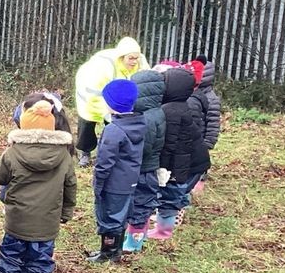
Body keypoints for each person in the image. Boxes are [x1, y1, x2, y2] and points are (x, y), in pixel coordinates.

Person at [0, 100, 76, 273]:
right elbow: (70, 184)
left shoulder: (13, 152)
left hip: (17, 220)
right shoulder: (63, 155)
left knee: (9, 257)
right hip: (47, 222)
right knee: (40, 259)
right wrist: (66, 212)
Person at [86, 80, 145, 262]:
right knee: (121, 214)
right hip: (129, 181)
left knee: (109, 216)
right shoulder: (139, 122)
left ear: (112, 104)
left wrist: (98, 183)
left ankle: (108, 253)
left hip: (113, 182)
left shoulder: (113, 130)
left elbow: (105, 162)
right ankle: (115, 250)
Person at [74, 37, 149, 167]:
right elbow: (94, 96)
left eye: (136, 58)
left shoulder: (141, 63)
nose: (134, 61)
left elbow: (146, 82)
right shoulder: (103, 66)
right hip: (92, 95)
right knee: (87, 121)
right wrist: (109, 114)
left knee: (116, 126)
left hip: (117, 95)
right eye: (131, 58)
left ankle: (111, 151)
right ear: (122, 57)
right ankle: (85, 151)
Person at [149, 66, 202, 240]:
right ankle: (171, 217)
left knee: (169, 196)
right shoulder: (181, 105)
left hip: (181, 164)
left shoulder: (170, 111)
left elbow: (169, 145)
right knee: (178, 193)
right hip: (193, 161)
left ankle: (163, 231)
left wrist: (163, 168)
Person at [122, 70, 167, 253]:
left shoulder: (147, 119)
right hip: (146, 168)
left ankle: (134, 243)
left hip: (143, 169)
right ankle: (137, 235)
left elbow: (144, 148)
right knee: (142, 203)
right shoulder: (155, 112)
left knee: (140, 205)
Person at [185, 55, 221, 198]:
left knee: (201, 165)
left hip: (202, 139)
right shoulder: (190, 94)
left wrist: (209, 142)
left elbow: (213, 123)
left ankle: (198, 188)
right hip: (192, 138)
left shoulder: (211, 98)